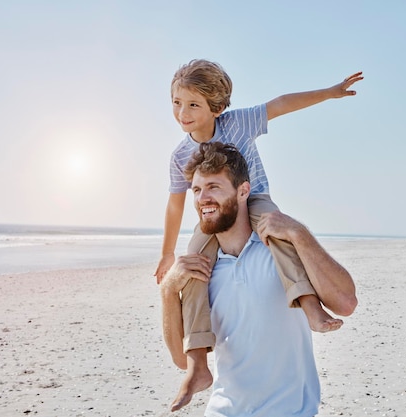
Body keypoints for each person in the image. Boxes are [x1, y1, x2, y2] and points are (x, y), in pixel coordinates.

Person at [154, 59, 363, 408]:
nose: (182, 112)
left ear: (216, 107)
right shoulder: (180, 156)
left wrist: (330, 93)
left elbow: (280, 104)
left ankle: (310, 306)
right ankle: (197, 365)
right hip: (216, 219)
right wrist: (167, 255)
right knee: (191, 271)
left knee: (280, 238)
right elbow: (175, 205)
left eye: (193, 104)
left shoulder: (237, 122)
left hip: (257, 198)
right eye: (176, 102)